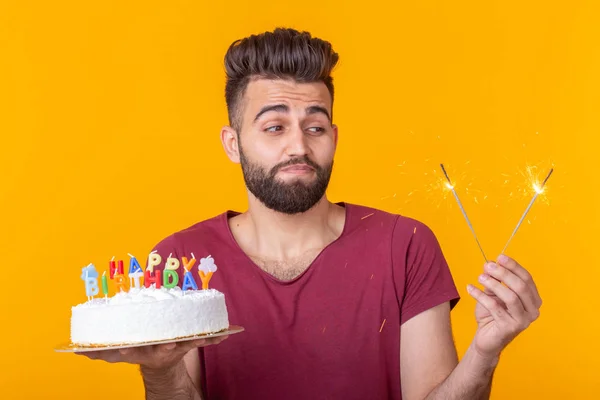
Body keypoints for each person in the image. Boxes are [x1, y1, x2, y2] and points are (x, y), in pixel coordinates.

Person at [82, 28, 542, 400]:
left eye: (315, 127)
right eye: (274, 127)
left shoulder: (405, 246)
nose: (299, 145)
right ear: (232, 143)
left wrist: (485, 352)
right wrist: (159, 374)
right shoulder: (180, 260)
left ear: (334, 138)